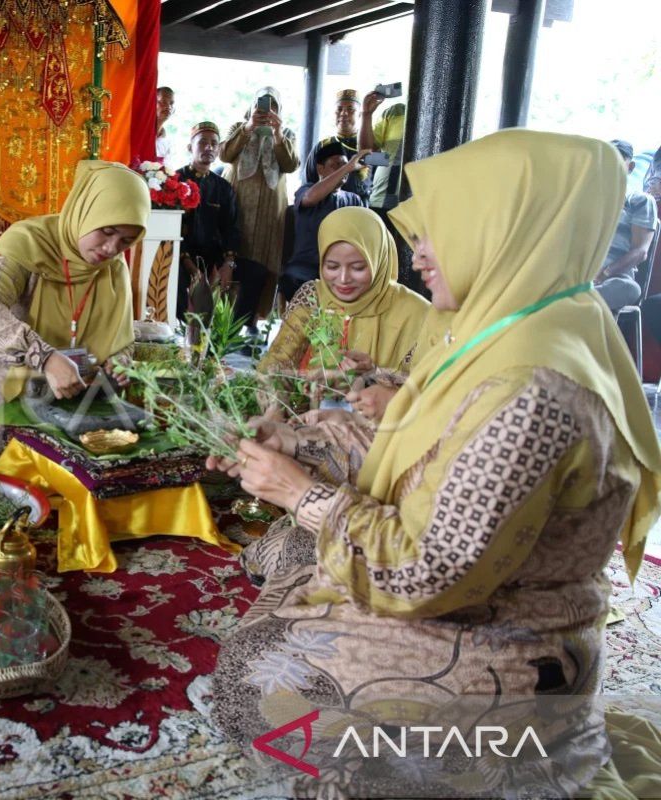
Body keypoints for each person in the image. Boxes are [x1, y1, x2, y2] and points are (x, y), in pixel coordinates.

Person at [209, 130, 661, 797]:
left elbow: (423, 573)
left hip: (504, 636)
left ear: (506, 231)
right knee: (294, 557)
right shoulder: (522, 322)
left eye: (436, 231)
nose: (416, 253)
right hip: (478, 590)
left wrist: (302, 492)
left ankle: (494, 751)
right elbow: (416, 447)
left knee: (250, 684)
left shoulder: (533, 388)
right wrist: (296, 445)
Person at [0, 160, 148, 468]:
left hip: (76, 386)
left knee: (83, 466)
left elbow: (122, 337)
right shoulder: (27, 241)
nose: (111, 248)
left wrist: (120, 361)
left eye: (126, 240)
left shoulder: (114, 267)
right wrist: (44, 357)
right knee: (10, 470)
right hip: (5, 376)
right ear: (85, 213)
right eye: (107, 231)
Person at [258, 206, 428, 417]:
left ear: (378, 261)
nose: (343, 279)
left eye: (358, 268)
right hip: (300, 423)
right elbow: (277, 363)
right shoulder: (313, 297)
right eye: (332, 266)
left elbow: (429, 393)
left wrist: (372, 375)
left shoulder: (417, 313)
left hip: (370, 435)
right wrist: (275, 409)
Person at [219, 87, 299, 317]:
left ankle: (253, 320)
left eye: (273, 105)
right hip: (239, 203)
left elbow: (291, 165)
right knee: (233, 254)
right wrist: (248, 128)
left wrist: (277, 134)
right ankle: (224, 318)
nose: (268, 110)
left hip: (270, 210)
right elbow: (224, 154)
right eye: (263, 104)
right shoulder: (238, 127)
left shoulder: (287, 134)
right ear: (253, 105)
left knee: (264, 260)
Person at [175, 122, 263, 329]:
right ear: (190, 147)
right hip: (182, 256)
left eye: (214, 143)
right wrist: (191, 268)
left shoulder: (223, 187)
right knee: (175, 277)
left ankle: (232, 332)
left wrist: (228, 265)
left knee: (255, 272)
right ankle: (180, 330)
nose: (209, 147)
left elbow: (231, 228)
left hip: (214, 257)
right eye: (202, 142)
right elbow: (173, 229)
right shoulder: (175, 181)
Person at [279, 141, 366, 300]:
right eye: (336, 165)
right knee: (291, 281)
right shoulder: (306, 190)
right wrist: (346, 167)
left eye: (345, 165)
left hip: (341, 267)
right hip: (305, 266)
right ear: (320, 168)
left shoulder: (354, 199)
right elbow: (310, 198)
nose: (343, 169)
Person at [594, 139, 657, 314]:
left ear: (631, 167)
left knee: (629, 289)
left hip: (613, 278)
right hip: (580, 275)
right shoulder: (589, 201)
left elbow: (640, 252)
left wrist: (604, 274)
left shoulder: (640, 201)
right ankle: (576, 300)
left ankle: (574, 302)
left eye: (618, 163)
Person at [302, 88, 369, 202]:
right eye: (339, 109)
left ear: (359, 115)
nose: (343, 113)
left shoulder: (367, 147)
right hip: (327, 209)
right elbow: (308, 183)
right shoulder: (323, 146)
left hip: (359, 210)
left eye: (350, 109)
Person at [154, 86, 176, 169]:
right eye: (163, 102)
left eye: (171, 103)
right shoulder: (140, 133)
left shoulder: (167, 142)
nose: (168, 107)